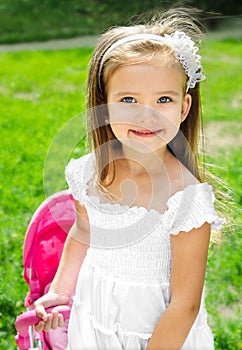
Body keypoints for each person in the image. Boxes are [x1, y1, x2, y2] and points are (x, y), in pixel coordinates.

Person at [34, 7, 224, 349]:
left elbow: (185, 305)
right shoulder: (89, 171)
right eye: (128, 99)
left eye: (163, 99)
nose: (146, 114)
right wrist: (60, 291)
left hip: (157, 334)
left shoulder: (186, 199)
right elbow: (84, 229)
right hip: (95, 317)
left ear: (183, 108)